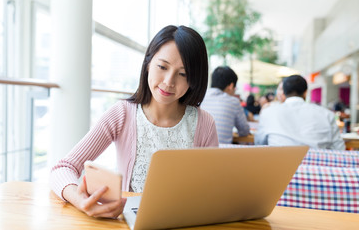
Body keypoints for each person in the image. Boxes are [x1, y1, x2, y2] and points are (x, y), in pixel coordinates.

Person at [50, 25, 219, 218]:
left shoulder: (204, 123)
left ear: (194, 79)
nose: (169, 81)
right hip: (129, 222)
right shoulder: (122, 114)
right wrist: (80, 200)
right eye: (162, 67)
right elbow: (63, 168)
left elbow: (210, 189)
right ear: (148, 63)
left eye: (183, 74)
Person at [255, 75, 345, 150]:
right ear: (306, 92)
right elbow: (339, 148)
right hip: (315, 168)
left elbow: (260, 142)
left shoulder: (268, 112)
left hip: (279, 167)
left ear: (284, 93)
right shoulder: (327, 114)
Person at [201, 66, 250, 144]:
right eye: (235, 87)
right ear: (231, 86)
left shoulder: (200, 97)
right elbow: (244, 131)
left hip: (196, 151)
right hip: (221, 152)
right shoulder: (233, 102)